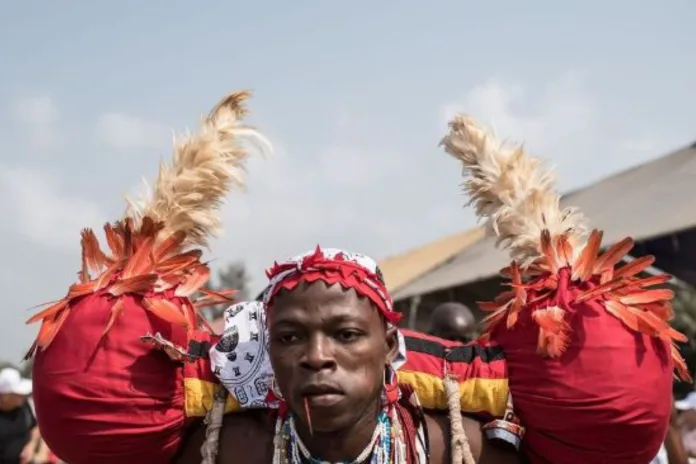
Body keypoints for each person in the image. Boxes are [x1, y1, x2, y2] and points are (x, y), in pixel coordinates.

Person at [176, 247, 523, 463]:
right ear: (269, 351)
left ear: (388, 348)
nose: (316, 357)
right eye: (290, 337)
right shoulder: (226, 450)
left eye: (346, 335)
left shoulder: (458, 450)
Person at [0, 367, 46, 464]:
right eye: (18, 394)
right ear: (4, 397)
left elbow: (35, 427)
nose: (24, 396)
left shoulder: (23, 406)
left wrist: (31, 445)